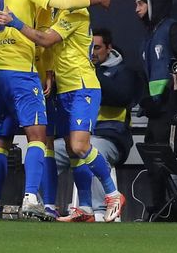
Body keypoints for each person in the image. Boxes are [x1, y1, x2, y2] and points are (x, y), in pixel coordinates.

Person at [0, 0, 110, 220]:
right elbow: (44, 40)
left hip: (22, 77)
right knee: (33, 138)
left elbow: (43, 39)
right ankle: (22, 201)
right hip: (25, 77)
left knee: (10, 140)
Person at [54, 27, 136, 221]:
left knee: (91, 149)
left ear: (109, 48)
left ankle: (100, 209)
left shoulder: (124, 72)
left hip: (111, 137)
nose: (92, 52)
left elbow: (122, 97)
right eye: (89, 47)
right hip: (84, 135)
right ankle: (45, 204)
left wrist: (91, 73)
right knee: (52, 150)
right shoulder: (76, 72)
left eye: (97, 47)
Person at [135, 0, 177, 215]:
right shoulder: (150, 35)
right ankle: (160, 208)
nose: (136, 8)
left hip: (170, 109)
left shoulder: (171, 28)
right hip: (156, 110)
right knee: (153, 161)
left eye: (140, 3)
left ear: (153, 3)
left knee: (167, 160)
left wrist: (173, 92)